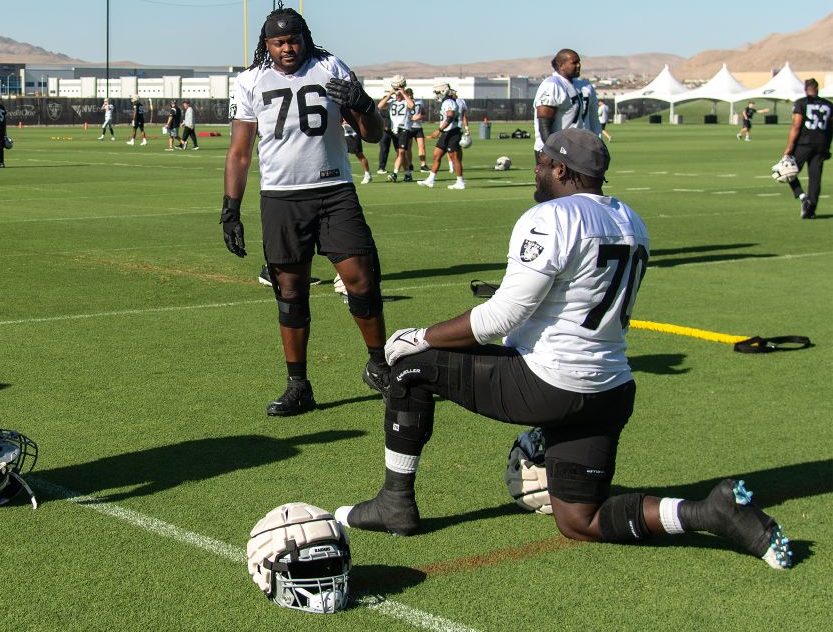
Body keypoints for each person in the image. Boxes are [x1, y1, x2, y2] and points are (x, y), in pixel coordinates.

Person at [336, 129, 793, 571]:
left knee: (410, 368)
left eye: (540, 163)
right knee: (580, 521)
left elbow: (500, 319)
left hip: (549, 384)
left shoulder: (551, 217)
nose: (535, 172)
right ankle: (708, 513)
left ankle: (394, 502)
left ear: (559, 167)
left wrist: (420, 336)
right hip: (610, 390)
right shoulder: (631, 218)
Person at [221, 4, 390, 416]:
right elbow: (240, 153)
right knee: (291, 293)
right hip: (281, 197)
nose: (287, 48)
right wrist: (230, 209)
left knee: (361, 279)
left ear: (305, 38)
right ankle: (299, 385)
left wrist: (365, 105)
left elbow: (372, 135)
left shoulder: (331, 66)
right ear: (266, 45)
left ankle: (379, 365)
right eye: (278, 42)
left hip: (334, 190)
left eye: (293, 40)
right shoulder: (249, 81)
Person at [533, 49, 601, 167]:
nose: (579, 65)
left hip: (581, 150)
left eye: (579, 62)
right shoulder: (552, 85)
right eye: (574, 63)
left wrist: (597, 146)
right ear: (561, 65)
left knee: (584, 185)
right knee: (558, 186)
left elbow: (594, 121)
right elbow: (544, 125)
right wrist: (555, 153)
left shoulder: (586, 87)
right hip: (555, 151)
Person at [782, 78, 832, 219]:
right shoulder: (829, 105)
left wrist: (789, 147)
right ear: (818, 88)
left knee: (787, 171)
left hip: (804, 143)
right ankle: (811, 209)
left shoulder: (801, 103)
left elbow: (796, 126)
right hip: (821, 144)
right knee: (815, 178)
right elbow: (830, 129)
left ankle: (803, 197)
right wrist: (827, 147)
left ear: (805, 89)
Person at [417, 84, 465, 189]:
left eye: (437, 92)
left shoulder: (449, 102)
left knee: (454, 157)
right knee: (436, 155)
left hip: (452, 132)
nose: (436, 95)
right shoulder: (446, 102)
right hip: (446, 133)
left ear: (443, 92)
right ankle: (430, 180)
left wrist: (439, 130)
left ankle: (460, 182)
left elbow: (450, 117)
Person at [344, 120, 373, 184]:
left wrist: (348, 122)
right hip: (344, 135)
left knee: (359, 155)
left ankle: (367, 174)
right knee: (342, 155)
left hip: (353, 134)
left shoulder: (352, 111)